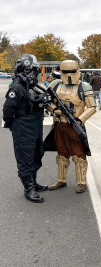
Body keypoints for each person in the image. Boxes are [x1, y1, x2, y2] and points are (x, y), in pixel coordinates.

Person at [43, 60, 96, 193]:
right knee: (62, 153)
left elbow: (92, 107)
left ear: (77, 71)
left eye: (72, 71)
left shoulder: (84, 86)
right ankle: (61, 180)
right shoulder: (55, 85)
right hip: (59, 124)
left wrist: (80, 119)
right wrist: (55, 110)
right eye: (66, 72)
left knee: (79, 155)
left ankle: (81, 182)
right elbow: (47, 101)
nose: (69, 75)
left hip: (75, 125)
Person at [2, 54, 48, 203]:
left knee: (36, 154)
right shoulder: (16, 87)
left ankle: (33, 183)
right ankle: (28, 189)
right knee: (25, 157)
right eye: (33, 71)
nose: (35, 74)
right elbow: (8, 110)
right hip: (23, 127)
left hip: (36, 125)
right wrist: (12, 125)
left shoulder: (34, 87)